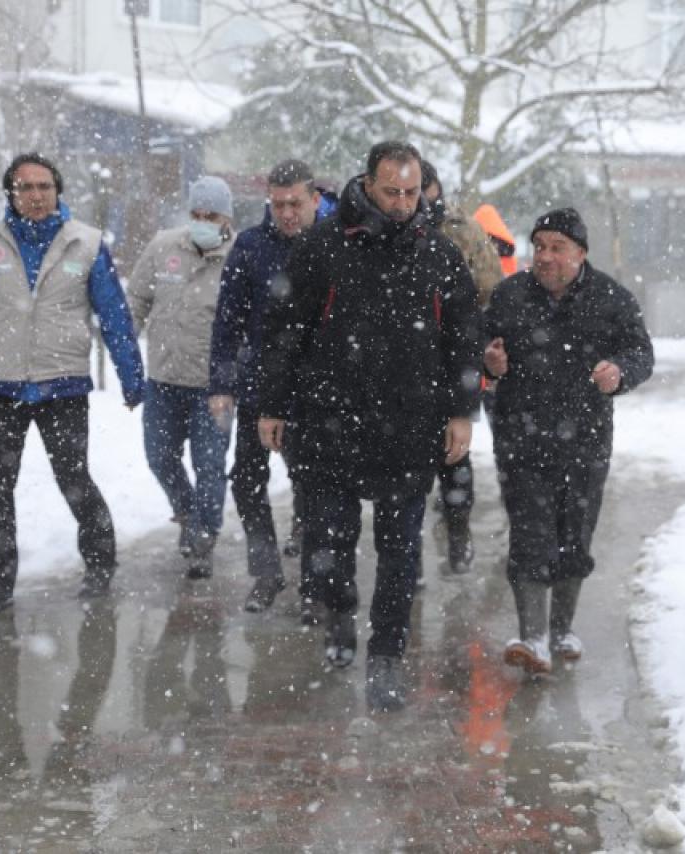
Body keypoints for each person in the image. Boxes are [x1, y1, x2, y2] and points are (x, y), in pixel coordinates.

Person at [257, 140, 482, 712]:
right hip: (328, 422)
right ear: (368, 183)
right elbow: (285, 329)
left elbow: (462, 336)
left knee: (400, 550)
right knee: (329, 542)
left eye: (411, 192)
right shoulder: (322, 247)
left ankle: (386, 655)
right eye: (392, 191)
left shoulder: (439, 252)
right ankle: (339, 616)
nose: (403, 203)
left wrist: (461, 410)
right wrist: (273, 404)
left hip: (409, 427)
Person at [0, 152, 144, 615]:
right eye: (26, 188)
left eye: (44, 187)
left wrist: (132, 378)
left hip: (63, 387)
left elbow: (114, 315)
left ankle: (99, 563)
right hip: (4, 389)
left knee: (73, 478)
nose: (36, 196)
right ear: (11, 194)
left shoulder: (85, 245)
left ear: (58, 191)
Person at [483, 208, 653, 674]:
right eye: (540, 247)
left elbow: (641, 353)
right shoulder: (510, 296)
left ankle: (562, 629)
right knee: (530, 537)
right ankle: (533, 636)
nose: (545, 257)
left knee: (574, 539)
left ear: (581, 252)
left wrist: (618, 373)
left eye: (558, 247)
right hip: (522, 439)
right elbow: (480, 346)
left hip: (586, 441)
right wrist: (488, 364)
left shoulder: (611, 300)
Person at [208, 160, 337, 615]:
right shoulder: (251, 246)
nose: (287, 213)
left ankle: (314, 587)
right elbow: (228, 318)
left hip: (314, 388)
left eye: (295, 203)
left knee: (313, 485)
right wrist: (221, 382)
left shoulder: (334, 243)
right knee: (246, 480)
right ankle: (265, 572)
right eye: (278, 204)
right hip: (259, 383)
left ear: (314, 199)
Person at [128, 176, 238, 578]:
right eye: (196, 214)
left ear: (227, 217)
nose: (203, 221)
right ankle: (187, 511)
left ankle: (204, 538)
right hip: (164, 380)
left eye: (211, 215)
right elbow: (137, 297)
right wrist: (127, 342)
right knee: (159, 456)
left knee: (210, 465)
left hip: (215, 389)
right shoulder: (163, 247)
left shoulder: (238, 256)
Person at [419, 160, 503, 574]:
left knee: (454, 457)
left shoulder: (462, 229)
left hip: (451, 358)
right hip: (403, 365)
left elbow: (489, 285)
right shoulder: (383, 227)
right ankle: (407, 557)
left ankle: (458, 532)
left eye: (422, 186)